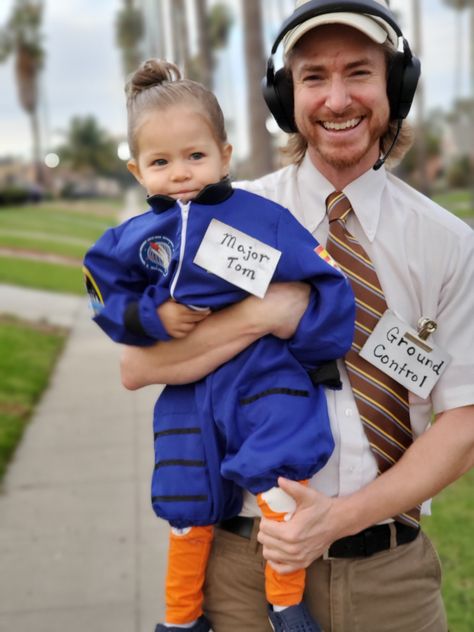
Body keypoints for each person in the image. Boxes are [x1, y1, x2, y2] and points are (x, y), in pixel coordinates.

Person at [120, 1, 474, 631]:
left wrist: (336, 519)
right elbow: (138, 364)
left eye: (358, 72)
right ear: (286, 97)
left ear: (396, 86)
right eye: (313, 77)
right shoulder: (222, 217)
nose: (337, 99)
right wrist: (268, 314)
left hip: (390, 579)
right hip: (242, 568)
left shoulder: (448, 243)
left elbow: (465, 420)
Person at [83, 58, 355, 632]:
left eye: (195, 156)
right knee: (187, 504)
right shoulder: (131, 239)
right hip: (187, 393)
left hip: (262, 375)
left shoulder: (260, 218)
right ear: (137, 171)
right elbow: (102, 294)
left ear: (224, 155)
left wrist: (312, 349)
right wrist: (153, 316)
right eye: (160, 162)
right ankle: (181, 620)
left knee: (280, 482)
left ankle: (285, 604)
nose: (180, 173)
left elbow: (327, 280)